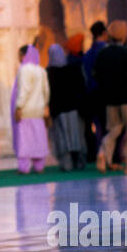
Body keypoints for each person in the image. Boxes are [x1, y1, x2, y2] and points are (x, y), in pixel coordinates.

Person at [94, 20, 127, 175]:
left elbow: (96, 76)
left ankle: (103, 151)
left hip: (109, 99)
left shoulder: (103, 54)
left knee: (114, 129)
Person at [47, 43, 88, 171]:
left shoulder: (49, 73)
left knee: (63, 138)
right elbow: (82, 88)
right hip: (75, 109)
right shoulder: (73, 69)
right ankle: (80, 163)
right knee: (77, 137)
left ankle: (67, 164)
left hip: (59, 111)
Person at [12, 46, 50, 174]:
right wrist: (45, 106)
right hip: (38, 111)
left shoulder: (24, 70)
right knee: (38, 138)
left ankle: (24, 167)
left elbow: (24, 89)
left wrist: (18, 107)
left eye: (19, 55)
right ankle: (39, 166)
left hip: (26, 111)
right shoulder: (41, 70)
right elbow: (46, 91)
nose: (18, 58)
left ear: (24, 56)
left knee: (25, 140)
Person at [82, 20, 108, 157]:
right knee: (107, 126)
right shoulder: (106, 50)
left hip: (91, 94)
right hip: (105, 94)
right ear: (104, 33)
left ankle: (99, 153)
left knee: (98, 126)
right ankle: (106, 155)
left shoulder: (87, 54)